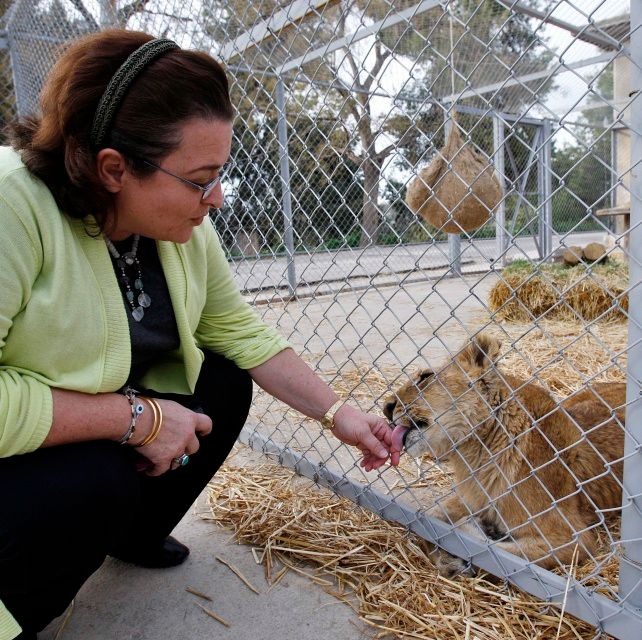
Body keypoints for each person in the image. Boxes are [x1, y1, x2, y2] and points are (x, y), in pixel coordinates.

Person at [0, 29, 401, 640]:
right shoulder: (12, 208)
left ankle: (130, 535)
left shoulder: (180, 229)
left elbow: (238, 330)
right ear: (113, 169)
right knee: (93, 484)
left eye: (220, 174)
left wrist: (338, 412)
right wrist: (139, 419)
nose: (215, 198)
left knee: (222, 382)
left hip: (91, 419)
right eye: (199, 178)